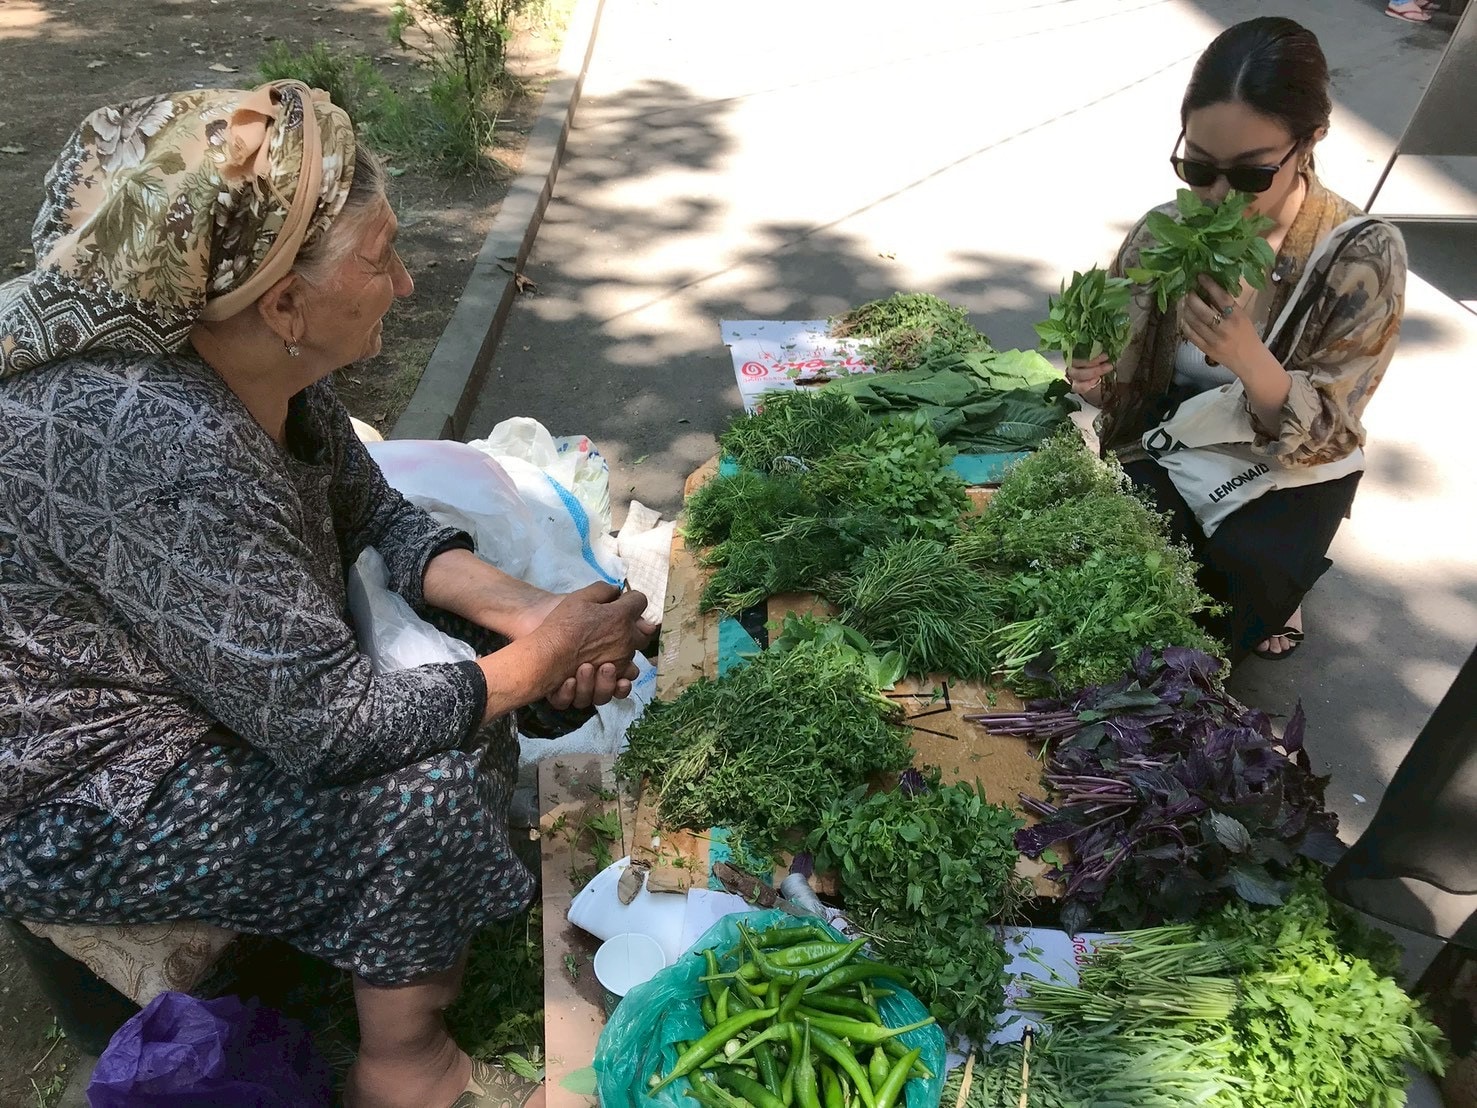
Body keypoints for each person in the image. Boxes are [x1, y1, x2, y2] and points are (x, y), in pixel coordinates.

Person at [0, 82, 653, 1108]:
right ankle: (405, 1063)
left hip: (219, 688)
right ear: (284, 301)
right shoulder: (161, 439)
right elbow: (333, 731)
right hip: (88, 795)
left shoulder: (264, 361)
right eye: (379, 256)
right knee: (417, 784)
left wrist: (533, 617)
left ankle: (403, 948)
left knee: (458, 640)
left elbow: (378, 520)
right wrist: (534, 662)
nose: (403, 280)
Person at [1066, 17, 1407, 666]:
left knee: (1230, 593)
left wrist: (1253, 362)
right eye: (1197, 167)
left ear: (1309, 143)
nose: (1218, 197)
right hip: (1172, 435)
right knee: (1111, 566)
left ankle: (1284, 583)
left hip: (1286, 457)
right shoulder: (1161, 233)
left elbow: (1332, 430)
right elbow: (1120, 390)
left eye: (1250, 176)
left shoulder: (1359, 256)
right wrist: (1091, 373)